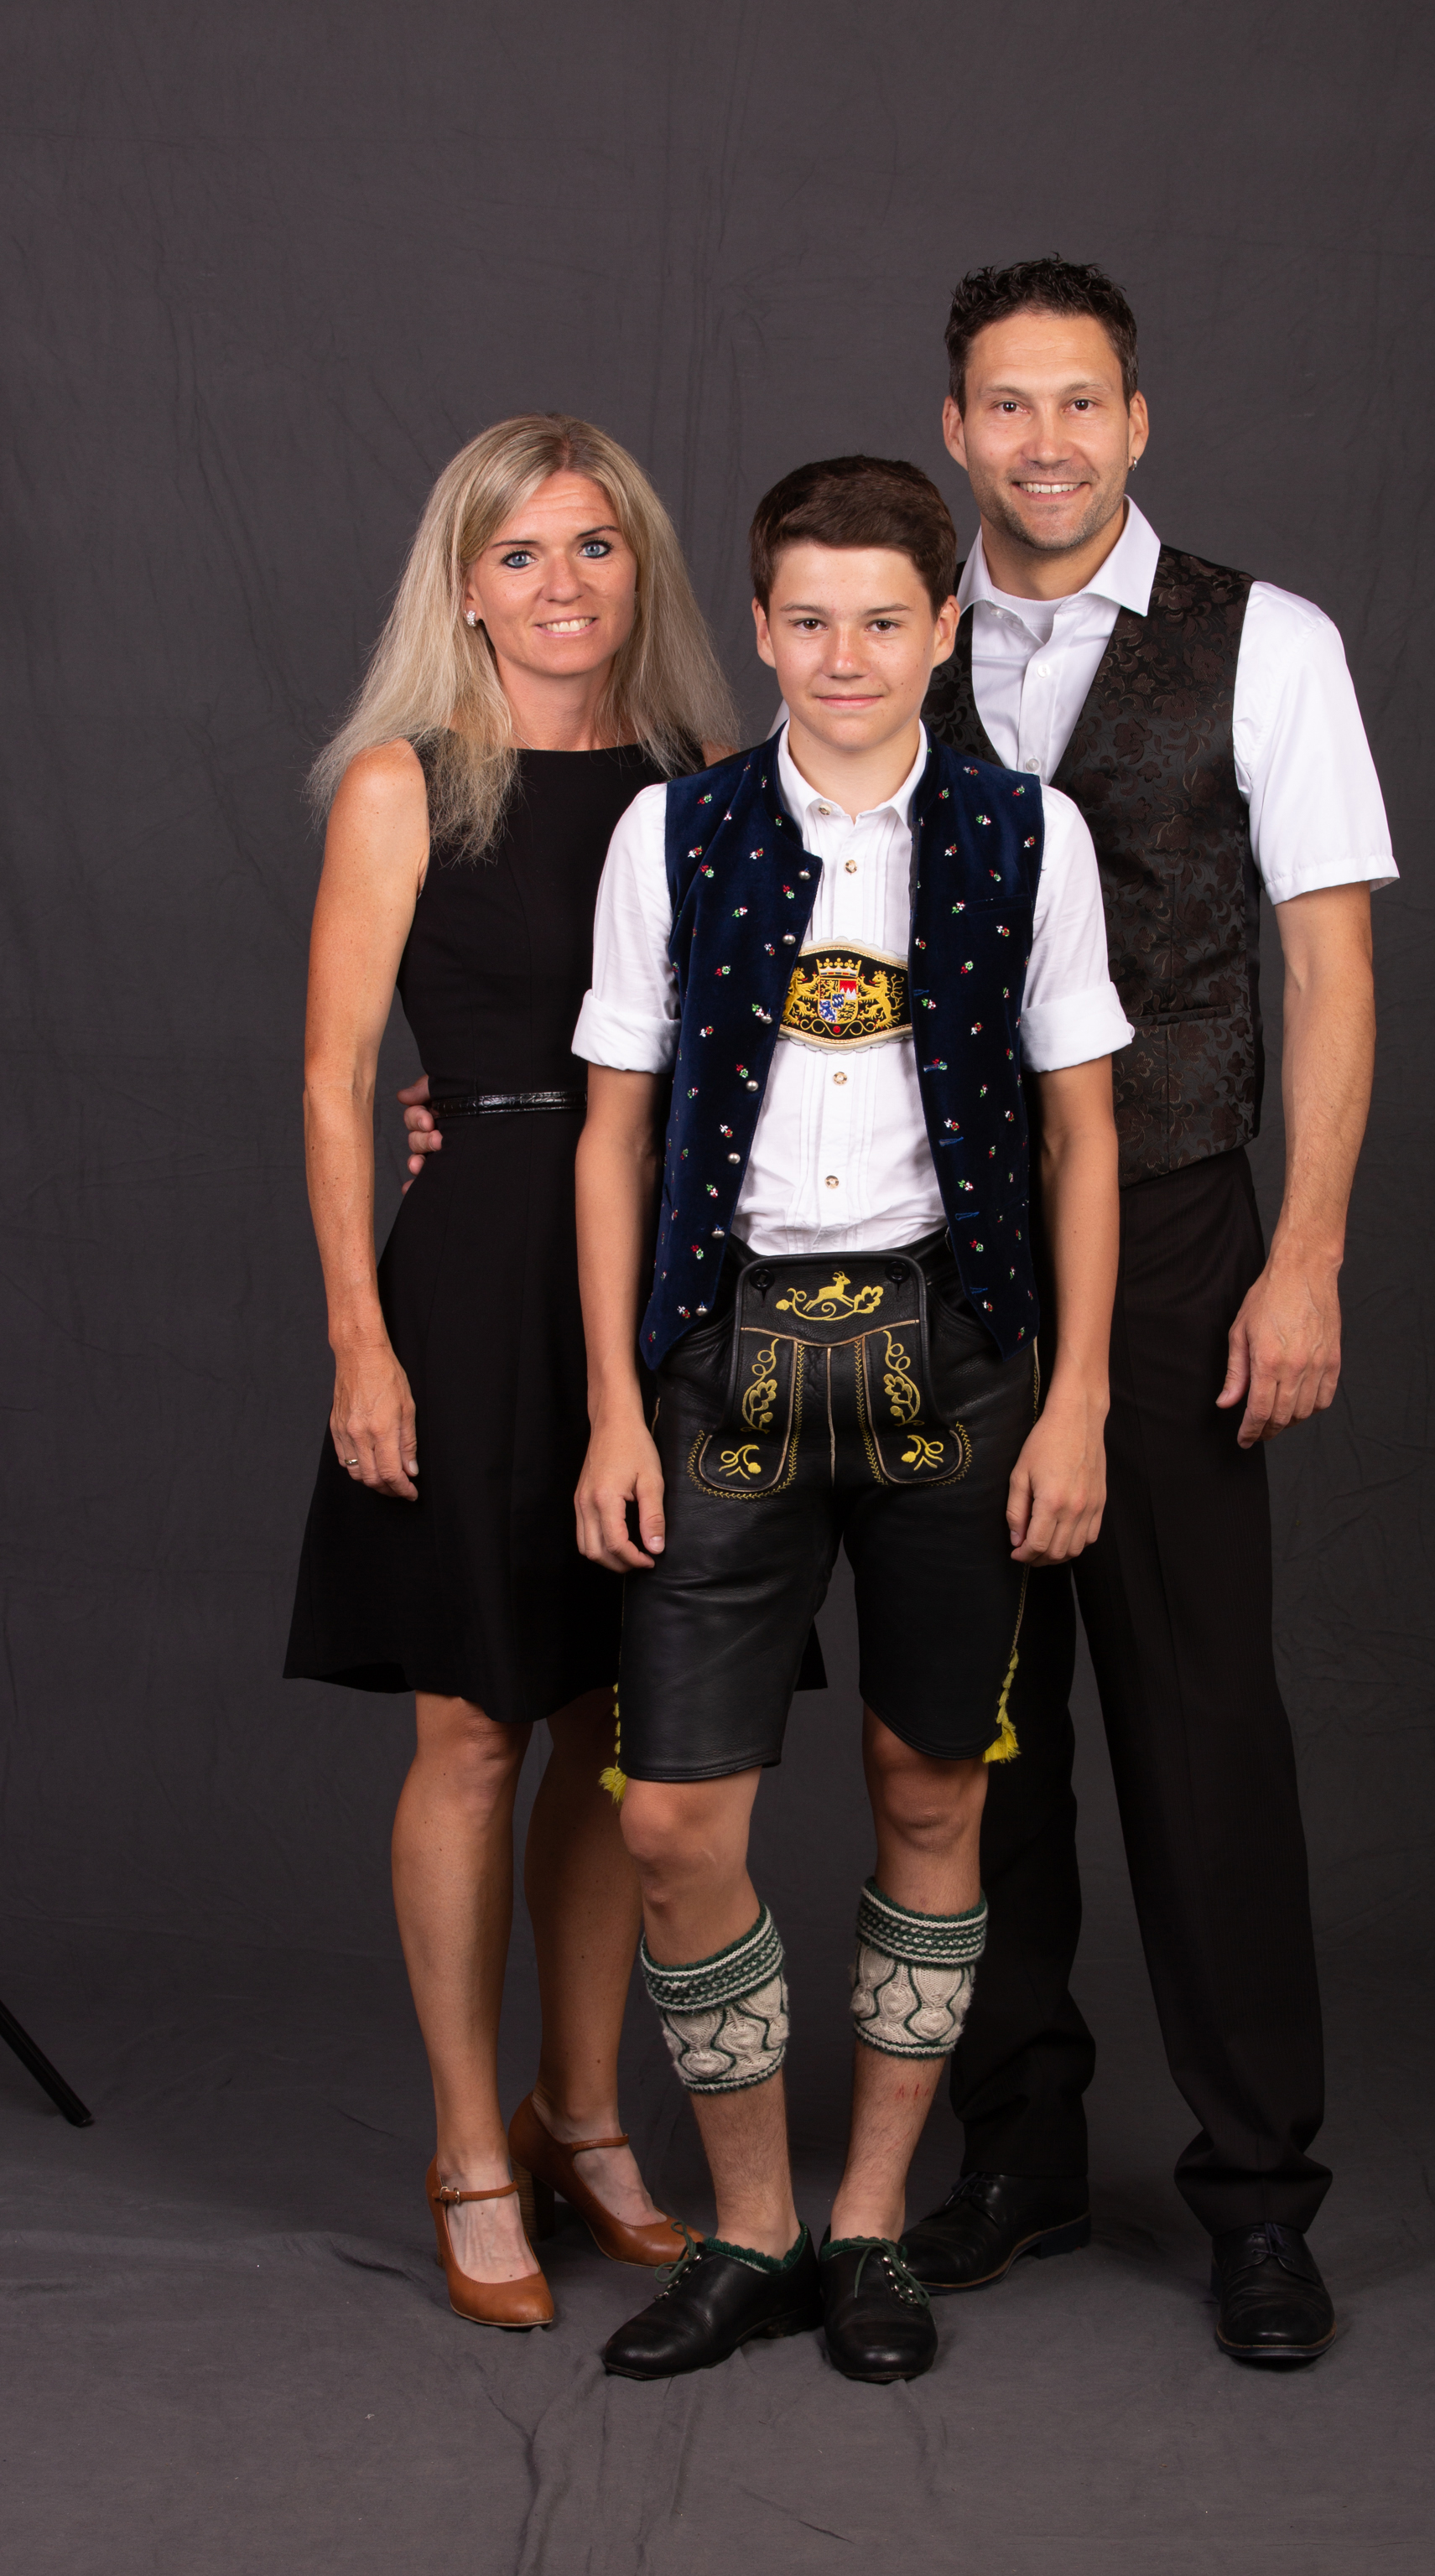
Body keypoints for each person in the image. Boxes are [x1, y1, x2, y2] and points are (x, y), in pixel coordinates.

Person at [568, 454, 1131, 2383]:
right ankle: (752, 2228)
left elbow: (1080, 1134)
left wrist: (1077, 1398)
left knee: (931, 1788)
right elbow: (613, 1136)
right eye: (807, 619)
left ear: (941, 627)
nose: (844, 654)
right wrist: (612, 1404)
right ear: (757, 625)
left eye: (883, 619)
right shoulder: (674, 832)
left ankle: (873, 2221)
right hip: (718, 1362)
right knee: (672, 1816)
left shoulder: (1026, 833)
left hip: (954, 1365)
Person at [898, 259, 1394, 2366]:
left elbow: (1331, 971)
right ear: (955, 429)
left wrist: (1309, 1255)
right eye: (1006, 405)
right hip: (936, 1250)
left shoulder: (1267, 643)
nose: (1045, 442)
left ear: (1137, 420)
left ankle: (1259, 2194)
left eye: (1079, 402)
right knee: (971, 1731)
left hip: (1185, 1229)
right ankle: (1013, 2145)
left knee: (1198, 1726)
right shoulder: (891, 632)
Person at [284, 413, 732, 2329]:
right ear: (464, 584)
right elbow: (334, 1076)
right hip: (470, 1281)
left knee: (619, 1724)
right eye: (523, 552)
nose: (563, 584)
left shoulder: (701, 781)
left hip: (660, 1281)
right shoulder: (407, 783)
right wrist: (358, 1337)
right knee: (472, 1723)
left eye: (595, 546)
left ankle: (585, 2113)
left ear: (642, 569)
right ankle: (471, 2146)